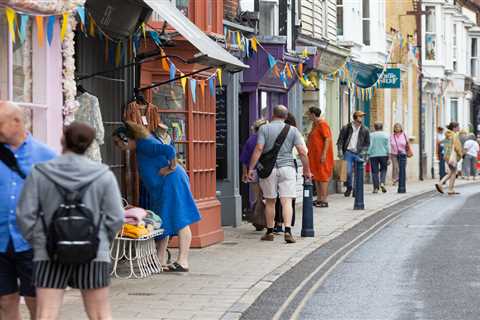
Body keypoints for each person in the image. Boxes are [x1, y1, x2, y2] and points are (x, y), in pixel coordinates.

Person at [16, 122, 124, 320]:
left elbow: (25, 215)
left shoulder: (40, 173)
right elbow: (116, 217)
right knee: (100, 315)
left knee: (46, 315)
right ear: (90, 144)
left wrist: (40, 242)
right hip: (94, 253)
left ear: (62, 140)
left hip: (49, 252)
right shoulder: (103, 175)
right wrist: (100, 239)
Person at [113, 122, 201, 272]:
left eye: (117, 142)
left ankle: (183, 261)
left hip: (171, 182)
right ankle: (159, 260)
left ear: (126, 138)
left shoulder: (144, 144)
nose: (117, 146)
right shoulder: (142, 145)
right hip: (163, 185)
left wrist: (170, 167)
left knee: (180, 218)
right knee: (163, 220)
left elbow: (169, 150)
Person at [0, 101, 56, 320]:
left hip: (34, 243)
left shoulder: (45, 156)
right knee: (4, 301)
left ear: (16, 122)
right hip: (1, 240)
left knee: (37, 303)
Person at [248, 105, 312, 243]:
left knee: (270, 201)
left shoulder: (264, 129)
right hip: (288, 168)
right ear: (286, 116)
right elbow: (302, 152)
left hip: (269, 169)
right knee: (287, 201)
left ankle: (270, 232)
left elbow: (259, 149)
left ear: (273, 115)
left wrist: (251, 168)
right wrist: (307, 170)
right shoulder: (293, 130)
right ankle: (287, 231)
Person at [240, 119, 268, 231]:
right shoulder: (267, 138)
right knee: (269, 197)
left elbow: (244, 159)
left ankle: (258, 221)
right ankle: (266, 221)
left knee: (258, 197)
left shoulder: (250, 140)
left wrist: (245, 173)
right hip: (268, 171)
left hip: (253, 171)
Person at [336, 111, 370, 197]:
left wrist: (364, 152)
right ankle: (349, 186)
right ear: (355, 118)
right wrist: (340, 151)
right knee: (348, 172)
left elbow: (367, 143)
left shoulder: (365, 129)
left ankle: (356, 190)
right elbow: (340, 141)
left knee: (359, 172)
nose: (362, 118)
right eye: (360, 116)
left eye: (362, 117)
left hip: (359, 153)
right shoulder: (346, 128)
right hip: (348, 152)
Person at [307, 107, 334, 207]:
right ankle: (319, 198)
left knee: (323, 177)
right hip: (314, 155)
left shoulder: (322, 124)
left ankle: (324, 200)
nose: (308, 116)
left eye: (309, 114)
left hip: (322, 156)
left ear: (313, 114)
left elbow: (327, 139)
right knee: (317, 177)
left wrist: (324, 154)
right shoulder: (315, 124)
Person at [436, 122, 462, 195]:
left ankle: (449, 187)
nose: (459, 128)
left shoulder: (447, 134)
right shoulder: (454, 135)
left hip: (447, 155)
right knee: (453, 172)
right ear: (454, 128)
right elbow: (456, 146)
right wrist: (460, 153)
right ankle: (445, 186)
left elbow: (442, 143)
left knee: (451, 172)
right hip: (452, 156)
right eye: (458, 127)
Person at [368, 122, 390, 193]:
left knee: (375, 172)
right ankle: (382, 183)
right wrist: (388, 156)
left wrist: (368, 154)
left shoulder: (371, 135)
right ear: (382, 127)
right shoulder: (386, 135)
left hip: (373, 155)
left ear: (375, 127)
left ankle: (376, 188)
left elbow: (370, 146)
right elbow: (387, 147)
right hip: (383, 155)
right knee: (383, 169)